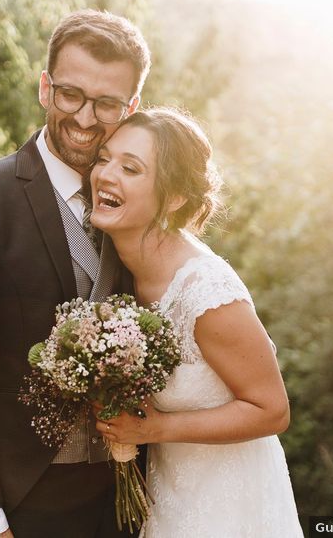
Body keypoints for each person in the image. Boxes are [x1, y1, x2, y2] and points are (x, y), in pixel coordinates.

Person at [0, 10, 151, 538]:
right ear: (45, 88)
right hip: (26, 495)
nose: (84, 118)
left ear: (132, 107)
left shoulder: (144, 199)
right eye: (70, 94)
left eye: (107, 104)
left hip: (134, 491)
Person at [90, 108, 303, 537]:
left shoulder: (206, 291)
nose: (105, 175)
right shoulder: (118, 271)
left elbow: (272, 410)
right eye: (103, 158)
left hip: (230, 507)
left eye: (130, 168)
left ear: (173, 198)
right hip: (169, 498)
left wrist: (156, 428)